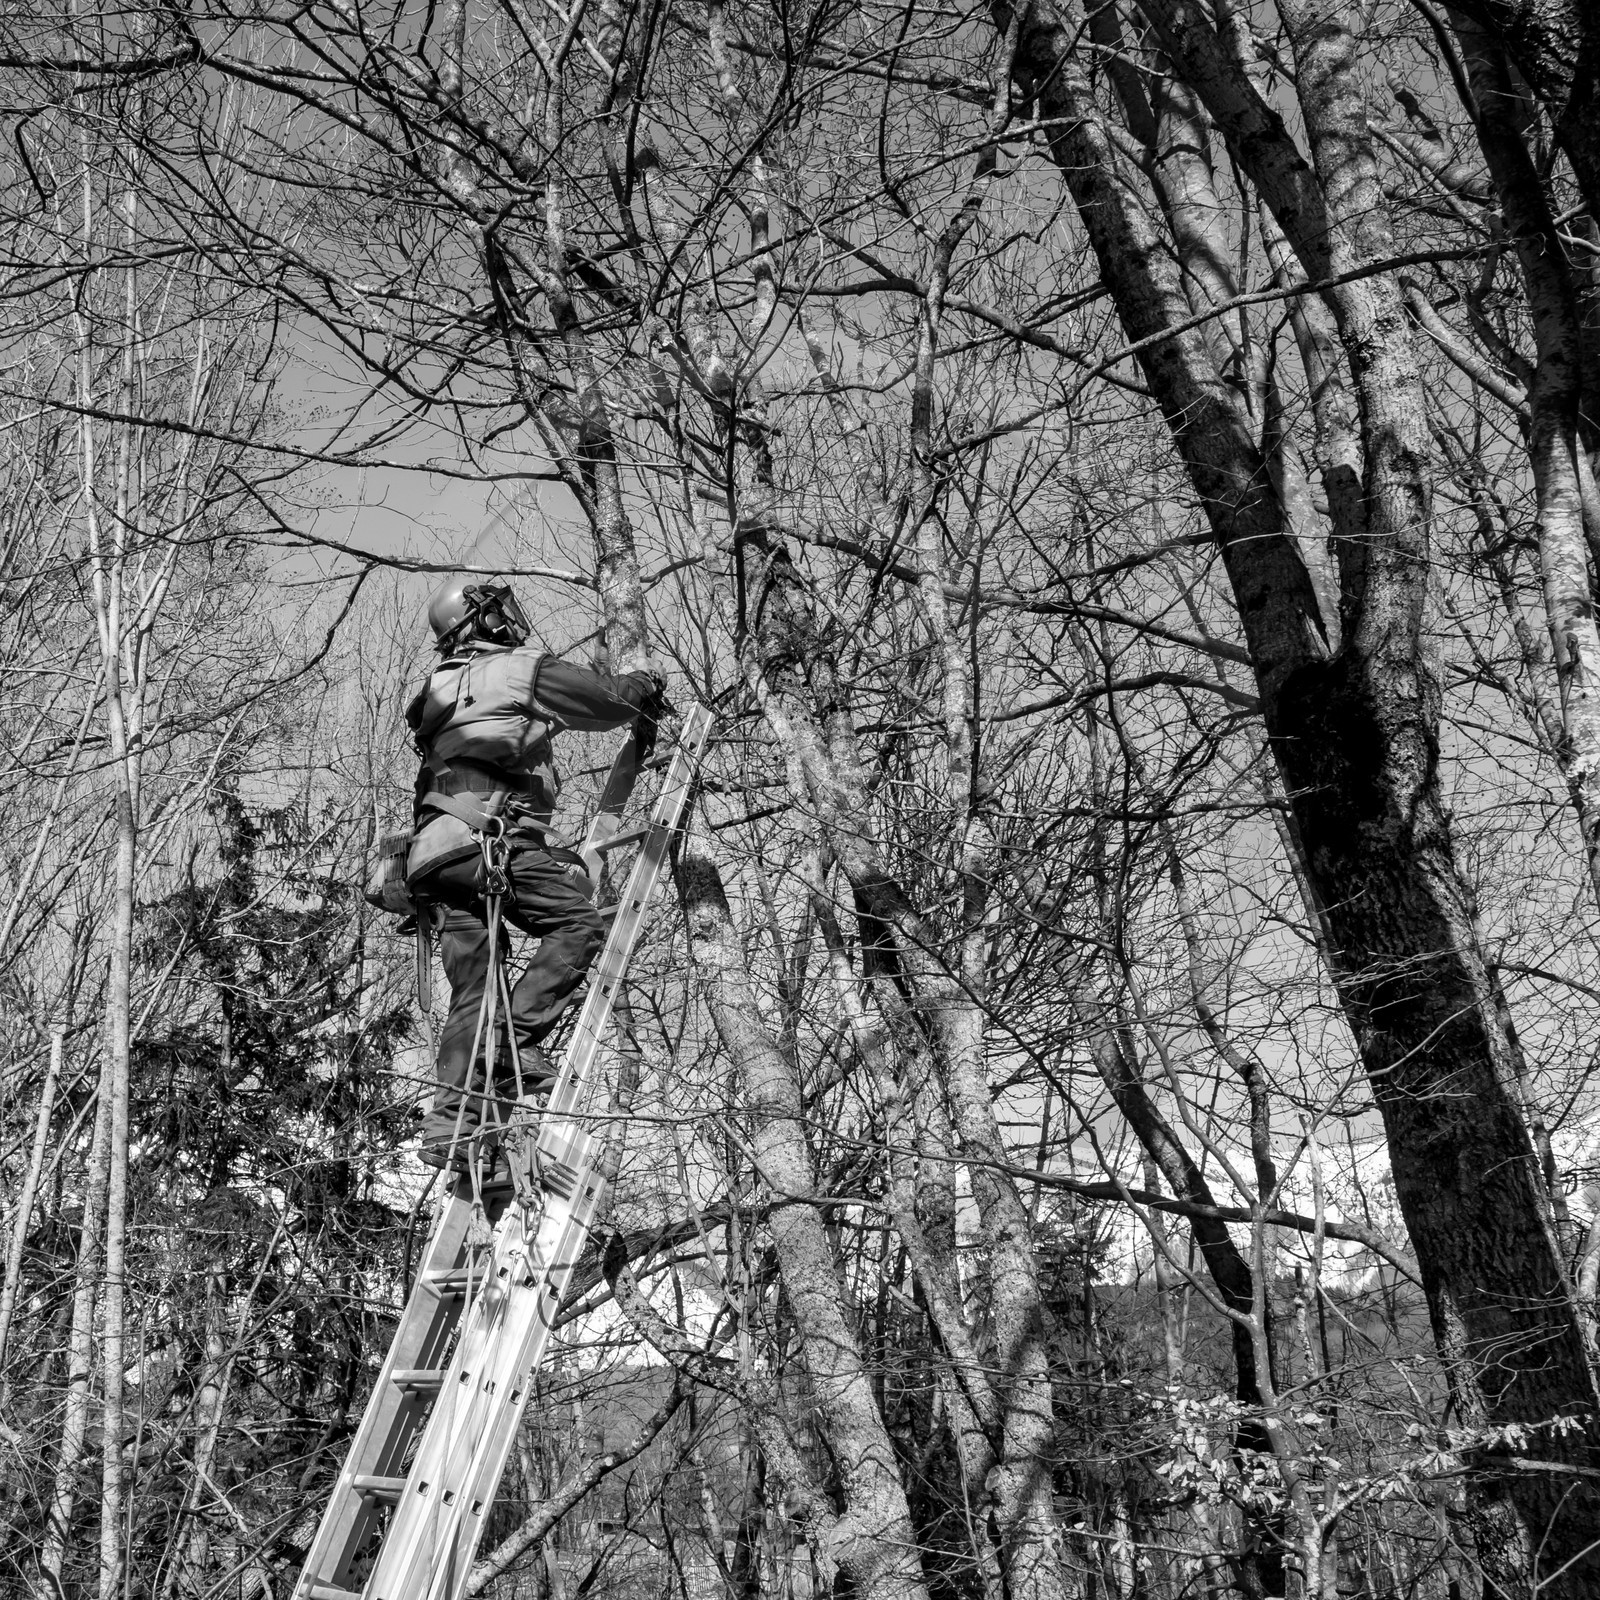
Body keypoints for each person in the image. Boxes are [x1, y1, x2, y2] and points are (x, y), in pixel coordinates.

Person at [405, 575, 664, 1168]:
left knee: (474, 991)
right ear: (481, 622)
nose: (510, 619)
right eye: (498, 612)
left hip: (435, 858)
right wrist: (642, 685)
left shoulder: (443, 692)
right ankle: (510, 1050)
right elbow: (606, 700)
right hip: (486, 842)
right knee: (578, 927)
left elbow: (516, 727)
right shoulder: (513, 669)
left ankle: (451, 1126)